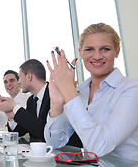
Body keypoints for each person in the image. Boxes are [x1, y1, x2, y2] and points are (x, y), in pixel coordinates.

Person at [45, 23, 138, 159]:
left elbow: (99, 147)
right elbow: (54, 143)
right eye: (89, 50)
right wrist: (57, 104)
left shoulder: (132, 90)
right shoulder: (80, 92)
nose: (97, 56)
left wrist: (68, 89)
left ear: (117, 51)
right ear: (81, 53)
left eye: (105, 49)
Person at [0, 59, 49, 141]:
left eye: (19, 78)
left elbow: (46, 132)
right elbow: (20, 131)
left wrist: (15, 106)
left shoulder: (54, 94)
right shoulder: (31, 100)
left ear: (29, 77)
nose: (18, 82)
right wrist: (11, 116)